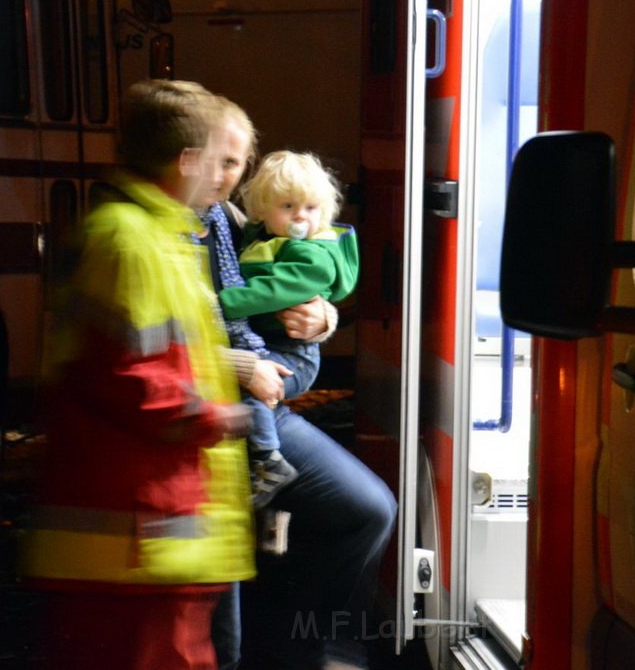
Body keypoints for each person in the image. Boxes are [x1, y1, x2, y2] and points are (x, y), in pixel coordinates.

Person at [20, 80, 256, 670]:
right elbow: (128, 376)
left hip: (145, 537)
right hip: (136, 541)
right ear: (187, 161)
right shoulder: (133, 241)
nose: (224, 178)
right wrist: (215, 417)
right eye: (217, 161)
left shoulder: (148, 233)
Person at [196, 97, 397, 670]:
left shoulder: (226, 220)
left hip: (260, 391)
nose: (226, 175)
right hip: (219, 402)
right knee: (237, 566)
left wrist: (324, 317)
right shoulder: (162, 231)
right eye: (218, 160)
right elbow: (167, 333)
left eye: (236, 162)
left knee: (368, 510)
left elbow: (299, 284)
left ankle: (318, 649)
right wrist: (245, 368)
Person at [220, 150, 359, 507]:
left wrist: (224, 304)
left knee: (254, 390)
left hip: (293, 354)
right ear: (263, 210)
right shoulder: (256, 234)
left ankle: (269, 461)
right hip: (268, 346)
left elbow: (274, 289)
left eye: (311, 208)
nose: (300, 216)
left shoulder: (313, 254)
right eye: (287, 206)